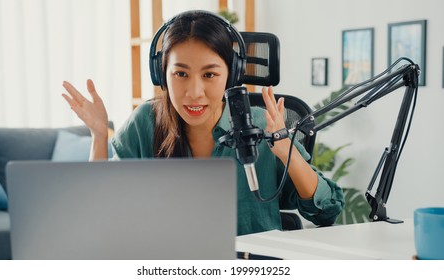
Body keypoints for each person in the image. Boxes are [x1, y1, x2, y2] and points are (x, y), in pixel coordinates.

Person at [62, 10, 344, 236]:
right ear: (162, 75)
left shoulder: (261, 125)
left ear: (231, 76)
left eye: (209, 75)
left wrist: (285, 151)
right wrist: (99, 137)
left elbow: (326, 211)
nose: (194, 92)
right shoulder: (145, 123)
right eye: (181, 74)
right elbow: (100, 210)